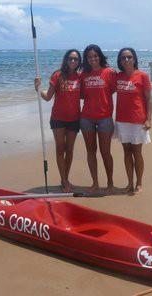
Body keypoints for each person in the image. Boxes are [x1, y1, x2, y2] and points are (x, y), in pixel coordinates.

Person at [34, 49, 82, 192]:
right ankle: (64, 180)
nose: (73, 61)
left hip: (74, 118)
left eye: (76, 59)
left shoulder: (80, 77)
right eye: (70, 59)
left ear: (79, 62)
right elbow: (48, 97)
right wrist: (38, 88)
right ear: (66, 60)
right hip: (58, 119)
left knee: (70, 150)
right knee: (60, 149)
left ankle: (65, 178)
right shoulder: (57, 75)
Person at [115, 48, 152, 194]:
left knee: (137, 151)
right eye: (123, 58)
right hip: (122, 119)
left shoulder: (142, 76)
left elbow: (149, 99)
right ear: (120, 61)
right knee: (126, 152)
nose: (126, 60)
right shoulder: (118, 76)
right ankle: (129, 183)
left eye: (129, 57)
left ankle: (139, 183)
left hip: (138, 119)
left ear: (134, 59)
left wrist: (148, 119)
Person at [80, 44, 116, 193]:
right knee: (91, 151)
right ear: (86, 59)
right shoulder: (83, 75)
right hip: (86, 118)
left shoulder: (109, 72)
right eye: (89, 57)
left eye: (95, 56)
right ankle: (95, 183)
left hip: (104, 118)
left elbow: (114, 89)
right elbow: (80, 93)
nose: (93, 59)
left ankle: (110, 183)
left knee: (105, 152)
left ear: (100, 56)